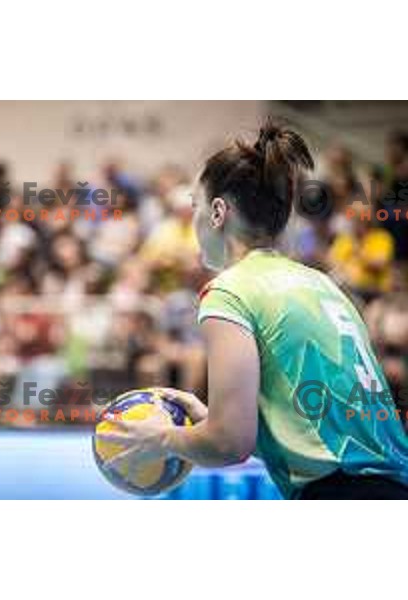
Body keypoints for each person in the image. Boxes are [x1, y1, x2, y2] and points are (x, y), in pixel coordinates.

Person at [97, 123, 408, 500]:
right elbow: (316, 433)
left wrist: (161, 438)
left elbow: (229, 444)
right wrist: (208, 416)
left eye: (195, 206)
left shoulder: (231, 290)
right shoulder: (325, 285)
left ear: (217, 212)